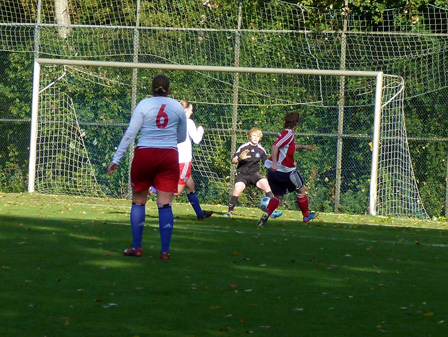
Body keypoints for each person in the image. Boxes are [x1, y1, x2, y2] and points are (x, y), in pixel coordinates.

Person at [108, 74, 187, 260]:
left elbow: (130, 134)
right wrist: (165, 141)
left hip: (145, 154)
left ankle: (137, 247)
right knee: (165, 204)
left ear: (151, 89)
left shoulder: (144, 104)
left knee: (138, 200)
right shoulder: (177, 106)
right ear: (168, 90)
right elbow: (182, 137)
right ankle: (165, 251)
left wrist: (116, 159)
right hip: (168, 155)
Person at [256, 111, 318, 227]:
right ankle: (306, 215)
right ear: (296, 123)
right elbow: (275, 146)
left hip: (274, 173)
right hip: (286, 171)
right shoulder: (289, 134)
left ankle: (265, 217)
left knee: (278, 197)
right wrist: (275, 163)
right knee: (301, 190)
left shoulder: (284, 133)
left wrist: (303, 147)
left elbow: (289, 146)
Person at [222, 127, 282, 218]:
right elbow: (233, 160)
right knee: (238, 189)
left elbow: (266, 163)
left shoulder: (261, 150)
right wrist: (239, 159)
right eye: (254, 135)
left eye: (257, 136)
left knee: (266, 184)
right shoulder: (244, 147)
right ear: (250, 137)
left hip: (255, 174)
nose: (255, 138)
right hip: (242, 174)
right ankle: (229, 212)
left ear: (260, 138)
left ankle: (272, 211)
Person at [174, 100, 213, 220]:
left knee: (190, 186)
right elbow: (196, 140)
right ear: (185, 111)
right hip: (184, 160)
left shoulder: (173, 121)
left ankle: (200, 214)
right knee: (177, 191)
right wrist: (200, 130)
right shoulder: (188, 122)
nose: (192, 112)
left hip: (174, 158)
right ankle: (153, 187)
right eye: (191, 110)